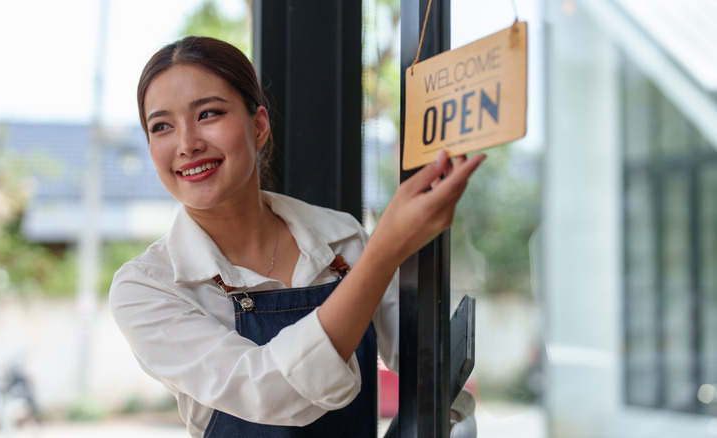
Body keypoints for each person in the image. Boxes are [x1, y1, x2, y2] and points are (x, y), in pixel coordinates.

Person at [110, 35, 485, 437]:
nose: (187, 144)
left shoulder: (340, 238)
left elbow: (425, 370)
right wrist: (385, 250)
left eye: (208, 114)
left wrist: (450, 420)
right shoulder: (147, 286)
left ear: (258, 126)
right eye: (162, 126)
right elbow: (268, 391)